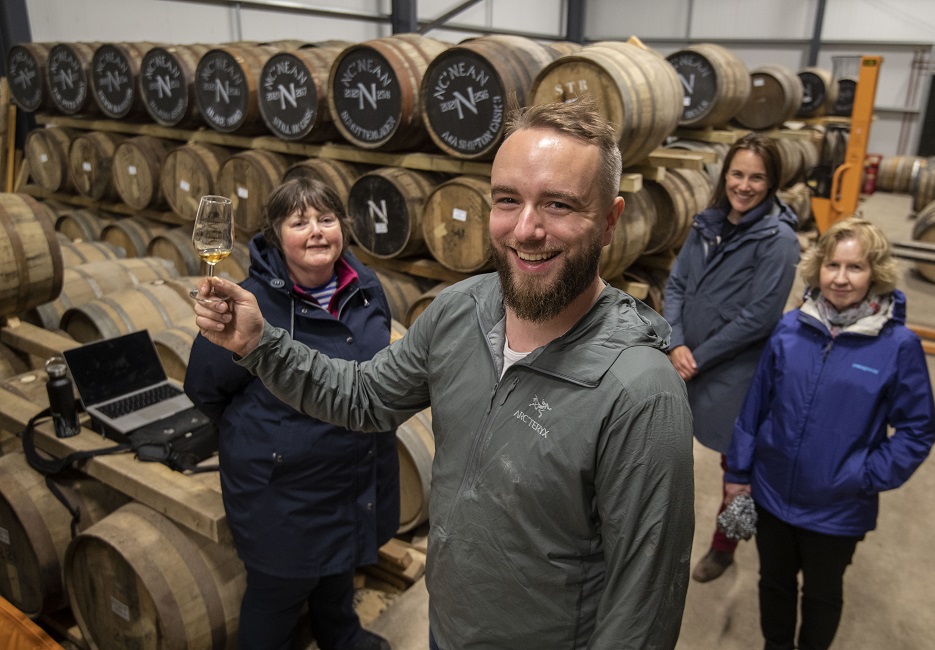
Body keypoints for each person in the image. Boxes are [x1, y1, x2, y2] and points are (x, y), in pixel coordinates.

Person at [193, 97, 696, 649]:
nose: (525, 229)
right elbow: (363, 397)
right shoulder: (462, 311)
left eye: (558, 205)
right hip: (448, 629)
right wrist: (259, 343)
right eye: (508, 200)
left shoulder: (641, 393)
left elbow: (641, 614)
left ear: (609, 222)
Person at [184, 178, 398, 650]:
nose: (317, 231)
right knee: (277, 595)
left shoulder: (365, 288)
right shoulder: (246, 303)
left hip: (352, 470)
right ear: (275, 235)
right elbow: (204, 387)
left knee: (340, 570)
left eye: (326, 219)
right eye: (299, 222)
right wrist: (272, 440)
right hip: (282, 486)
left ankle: (338, 634)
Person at [724, 217, 935, 650]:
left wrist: (863, 474)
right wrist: (738, 472)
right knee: (774, 583)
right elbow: (755, 408)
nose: (840, 279)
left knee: (822, 595)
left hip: (837, 509)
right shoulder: (789, 329)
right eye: (832, 265)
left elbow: (918, 429)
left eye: (855, 267)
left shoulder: (898, 346)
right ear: (817, 268)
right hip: (770, 493)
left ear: (874, 273)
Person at [663, 132, 801, 583]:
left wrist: (697, 356)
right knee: (662, 451)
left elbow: (759, 317)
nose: (744, 185)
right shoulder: (708, 222)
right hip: (684, 359)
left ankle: (725, 545)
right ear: (726, 176)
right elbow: (677, 283)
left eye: (757, 177)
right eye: (737, 174)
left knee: (737, 466)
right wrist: (676, 341)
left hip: (737, 371)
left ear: (772, 181)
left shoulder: (778, 240)